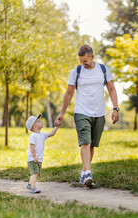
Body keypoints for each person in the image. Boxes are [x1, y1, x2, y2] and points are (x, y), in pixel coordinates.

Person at [54, 44, 119, 187]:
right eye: (81, 61)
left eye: (85, 61)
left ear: (92, 57)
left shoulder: (103, 70)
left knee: (91, 145)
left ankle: (84, 173)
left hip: (99, 113)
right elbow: (69, 93)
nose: (82, 63)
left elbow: (112, 90)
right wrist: (61, 113)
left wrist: (115, 108)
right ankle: (88, 173)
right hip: (81, 112)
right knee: (85, 142)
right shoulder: (76, 72)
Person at [26, 114, 58, 194]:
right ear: (34, 127)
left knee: (36, 173)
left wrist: (56, 127)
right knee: (35, 173)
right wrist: (34, 156)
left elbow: (51, 133)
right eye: (38, 122)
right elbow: (32, 147)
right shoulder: (33, 136)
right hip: (33, 159)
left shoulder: (42, 134)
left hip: (38, 159)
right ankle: (33, 188)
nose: (41, 122)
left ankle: (29, 184)